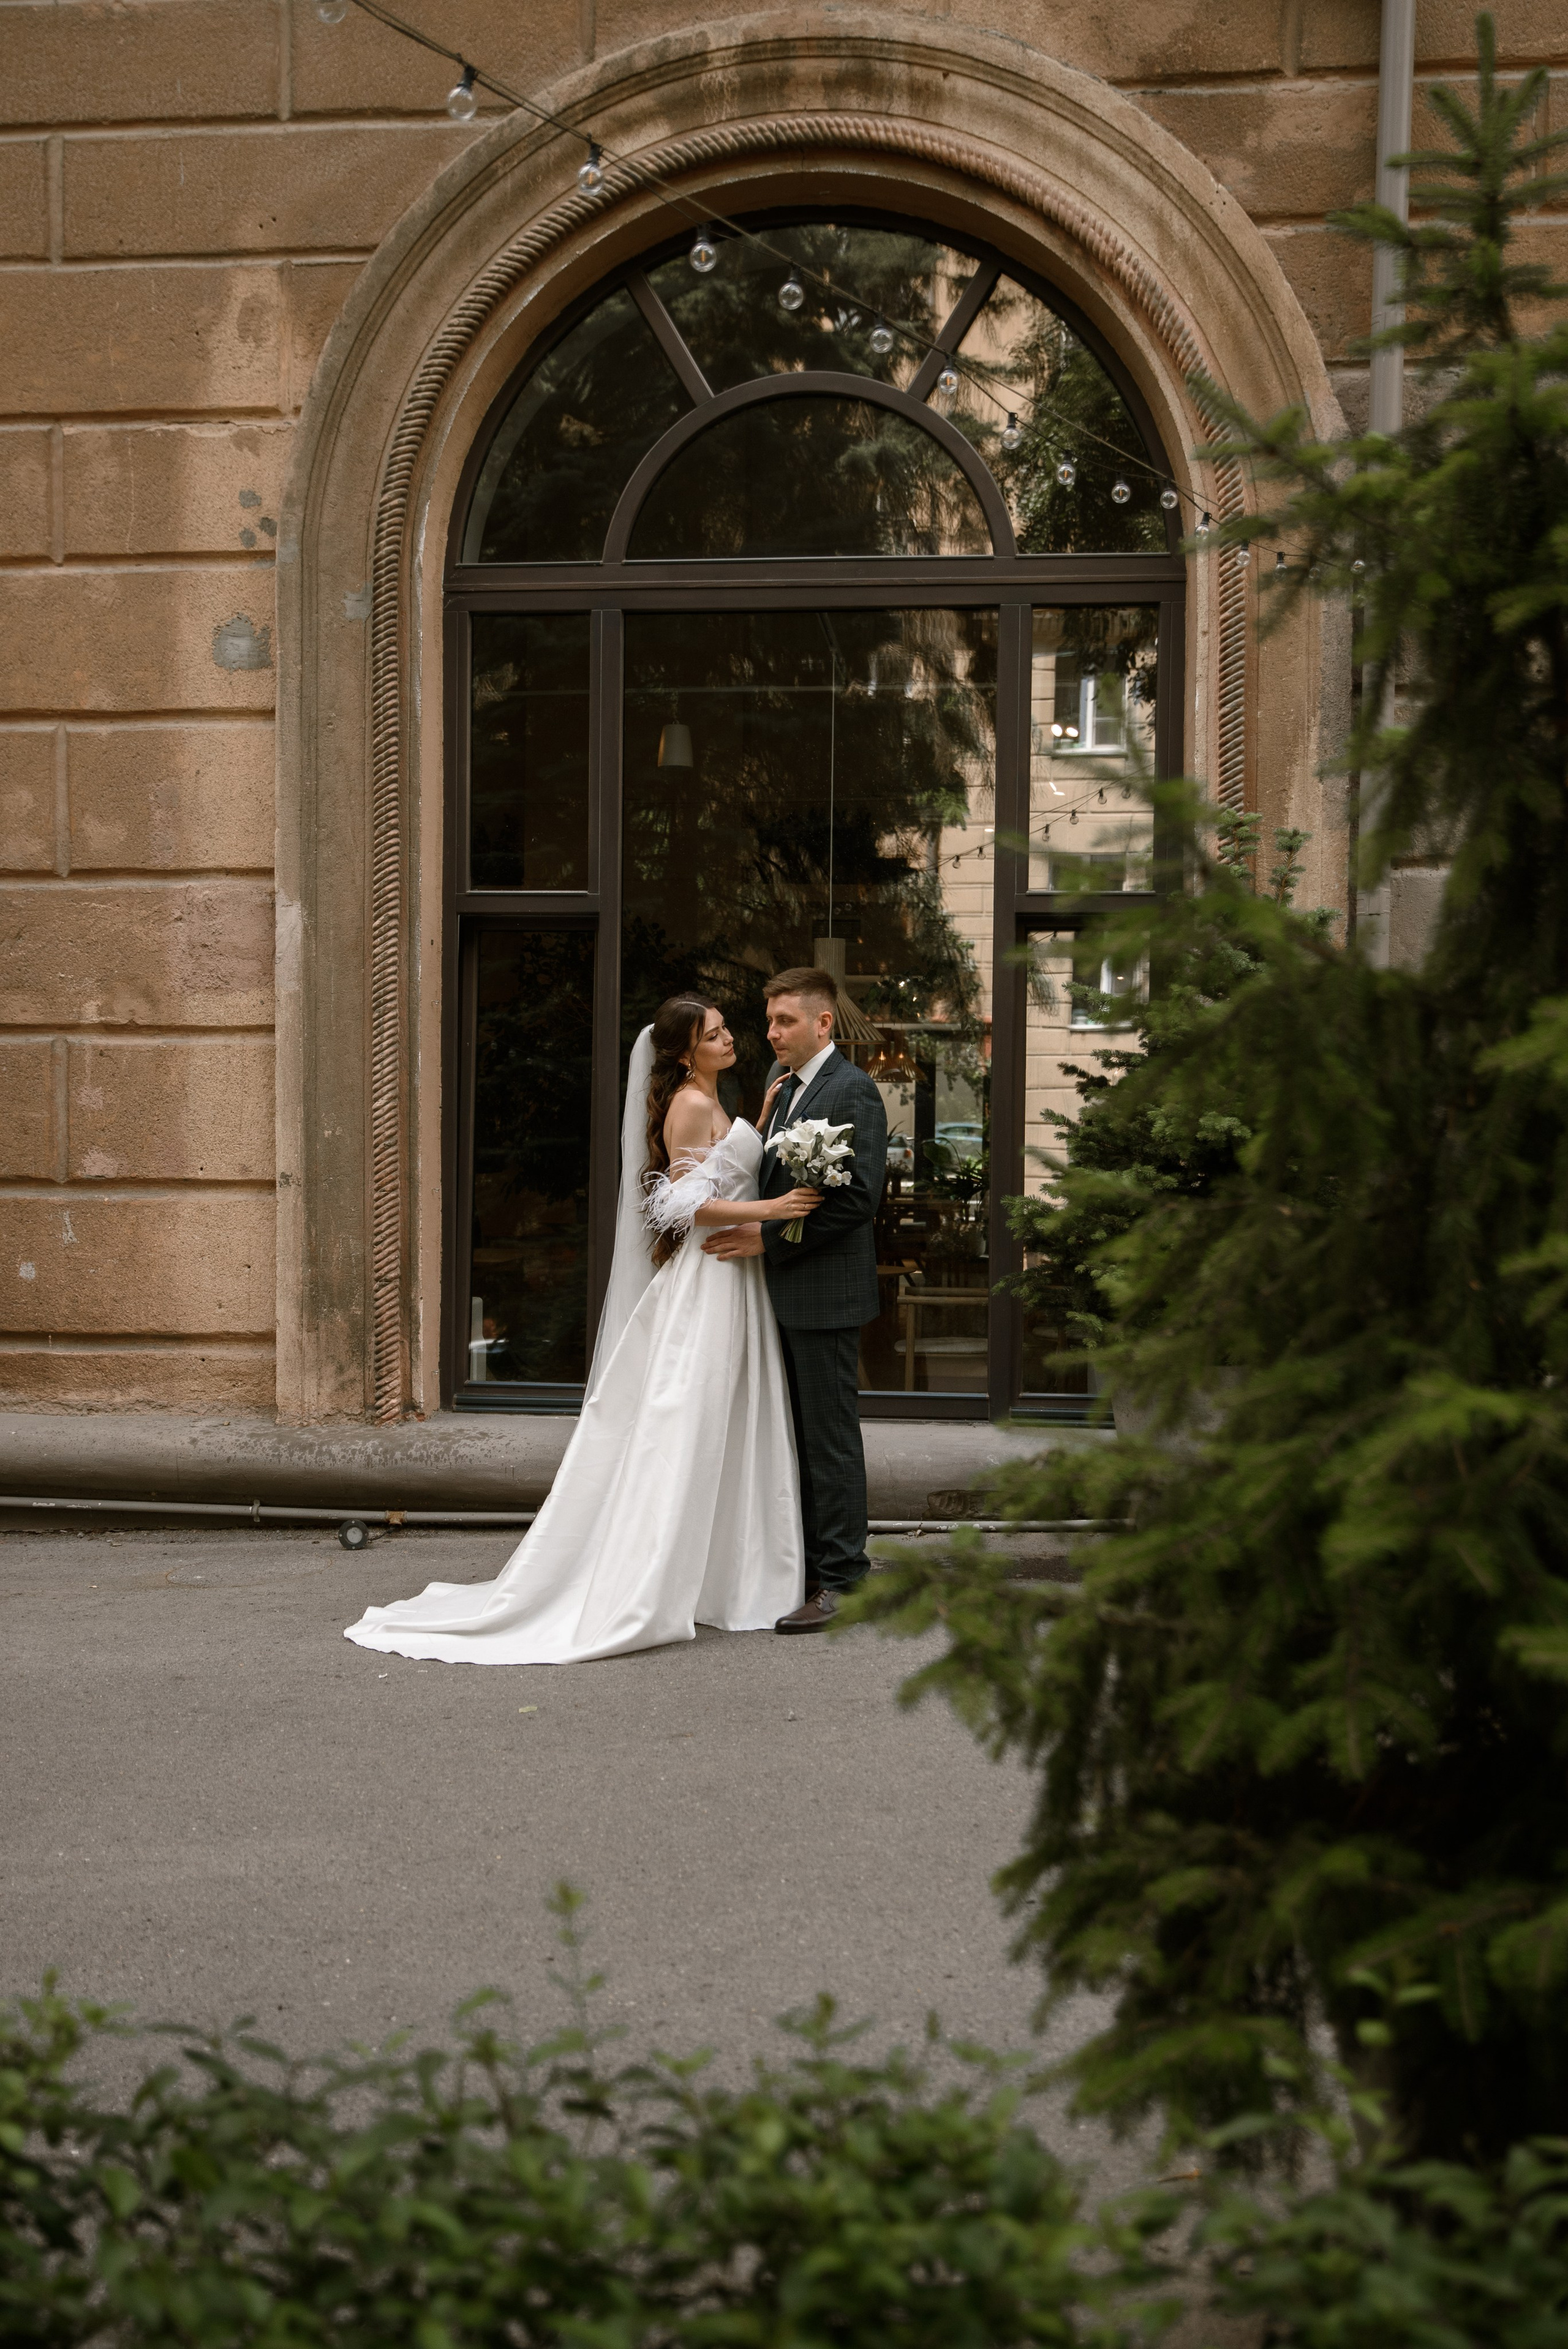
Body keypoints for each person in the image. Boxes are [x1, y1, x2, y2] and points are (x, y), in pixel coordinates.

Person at [343, 996, 821, 1666]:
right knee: (688, 1416)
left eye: (724, 1030)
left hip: (735, 1279)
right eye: (713, 1034)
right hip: (708, 1282)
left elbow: (720, 1165)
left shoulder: (716, 1096)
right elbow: (684, 1205)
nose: (729, 1038)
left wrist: (764, 1121)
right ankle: (669, 1574)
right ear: (685, 1052)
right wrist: (771, 1208)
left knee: (730, 1416)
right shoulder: (687, 1101)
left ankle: (730, 1575)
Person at [701, 967, 888, 1633]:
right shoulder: (784, 1090)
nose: (772, 1032)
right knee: (797, 1438)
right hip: (781, 1296)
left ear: (823, 1024)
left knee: (829, 1440)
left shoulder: (852, 1091)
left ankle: (845, 1581)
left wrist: (768, 1237)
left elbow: (858, 1201)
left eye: (785, 1020)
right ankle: (809, 1567)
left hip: (825, 1295)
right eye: (771, 1019)